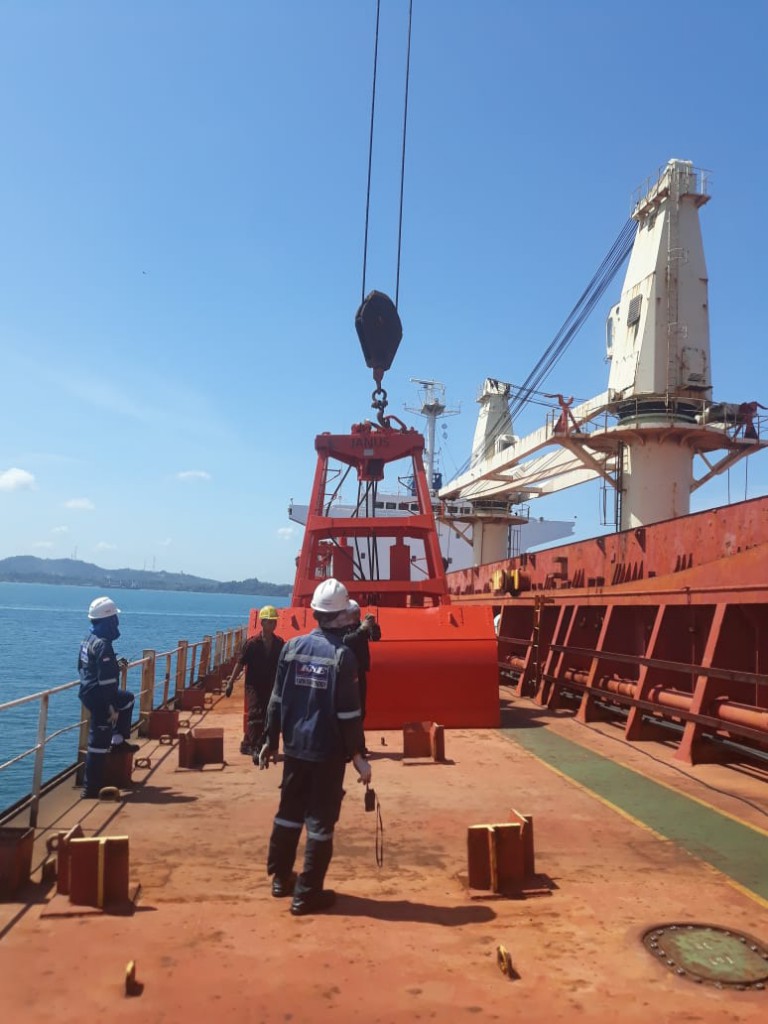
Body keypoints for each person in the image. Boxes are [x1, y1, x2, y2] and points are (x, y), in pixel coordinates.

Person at [258, 578, 371, 916]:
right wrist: (358, 757)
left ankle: (280, 879)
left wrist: (270, 740)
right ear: (342, 617)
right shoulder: (343, 657)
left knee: (289, 813)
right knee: (321, 823)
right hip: (326, 753)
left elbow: (276, 700)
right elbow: (349, 714)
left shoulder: (292, 648)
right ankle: (307, 894)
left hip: (295, 749)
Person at [77, 596, 138, 799]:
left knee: (127, 699)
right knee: (98, 743)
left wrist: (115, 665)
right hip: (100, 696)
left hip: (89, 691)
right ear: (109, 620)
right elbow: (106, 681)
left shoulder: (88, 639)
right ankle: (90, 790)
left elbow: (84, 666)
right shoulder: (103, 644)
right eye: (114, 619)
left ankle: (118, 739)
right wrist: (110, 706)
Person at [225, 605, 285, 755]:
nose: (273, 624)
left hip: (271, 685)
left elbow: (284, 664)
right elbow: (240, 663)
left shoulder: (279, 643)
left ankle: (249, 743)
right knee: (255, 713)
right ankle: (254, 747)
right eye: (270, 621)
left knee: (267, 714)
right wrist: (230, 683)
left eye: (274, 621)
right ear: (262, 622)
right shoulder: (252, 644)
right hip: (254, 685)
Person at [342, 600, 381, 750]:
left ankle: (358, 744)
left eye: (358, 613)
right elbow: (346, 641)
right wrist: (361, 629)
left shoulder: (361, 627)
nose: (358, 616)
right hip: (347, 673)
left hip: (360, 671)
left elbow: (375, 637)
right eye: (355, 613)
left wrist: (373, 626)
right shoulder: (342, 628)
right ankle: (348, 744)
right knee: (349, 709)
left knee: (361, 709)